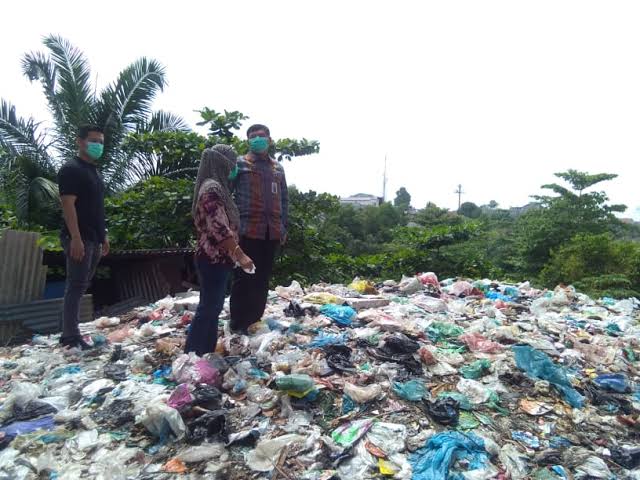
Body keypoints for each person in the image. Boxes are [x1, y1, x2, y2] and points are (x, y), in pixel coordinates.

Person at [185, 145, 255, 356]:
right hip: (212, 258)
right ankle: (194, 353)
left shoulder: (217, 188)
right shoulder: (212, 189)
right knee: (208, 308)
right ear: (223, 163)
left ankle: (204, 352)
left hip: (218, 259)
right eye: (232, 163)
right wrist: (240, 254)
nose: (234, 168)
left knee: (213, 307)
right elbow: (219, 227)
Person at [230, 124, 288, 334]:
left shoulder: (277, 168)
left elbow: (284, 199)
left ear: (269, 140)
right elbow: (227, 193)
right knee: (243, 278)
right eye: (252, 136)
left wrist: (283, 227)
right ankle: (238, 324)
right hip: (247, 229)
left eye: (261, 136)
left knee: (262, 279)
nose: (257, 139)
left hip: (272, 231)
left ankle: (254, 321)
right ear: (248, 141)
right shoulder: (239, 164)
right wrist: (231, 227)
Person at [58, 125, 109, 350]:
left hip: (94, 238)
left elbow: (96, 208)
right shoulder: (71, 169)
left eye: (101, 142)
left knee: (81, 285)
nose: (98, 145)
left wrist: (103, 236)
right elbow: (68, 205)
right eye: (93, 140)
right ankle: (70, 337)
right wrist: (75, 238)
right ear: (79, 141)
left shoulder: (94, 171)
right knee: (76, 285)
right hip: (79, 238)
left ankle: (68, 331)